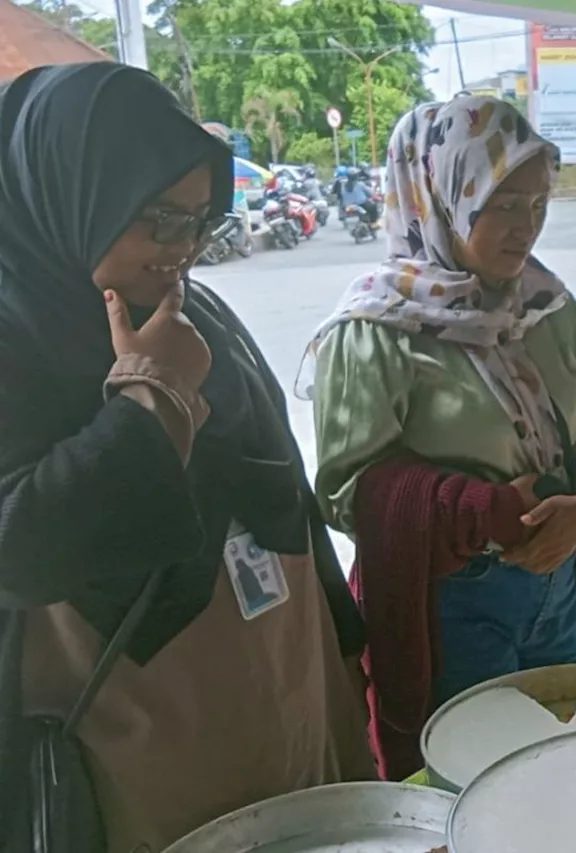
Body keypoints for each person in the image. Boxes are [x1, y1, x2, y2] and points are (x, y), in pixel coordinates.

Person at [0, 63, 375, 852]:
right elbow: (21, 547)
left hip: (282, 691)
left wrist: (345, 650)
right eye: (157, 221)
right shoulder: (14, 338)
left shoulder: (198, 309)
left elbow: (291, 500)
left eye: (199, 222)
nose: (182, 251)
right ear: (71, 192)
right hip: (137, 741)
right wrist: (155, 390)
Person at [305, 96, 576, 780]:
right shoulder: (377, 329)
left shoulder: (548, 307)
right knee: (487, 790)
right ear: (442, 196)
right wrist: (474, 509)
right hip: (457, 605)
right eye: (504, 206)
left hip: (558, 589)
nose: (527, 227)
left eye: (538, 203)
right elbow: (345, 490)